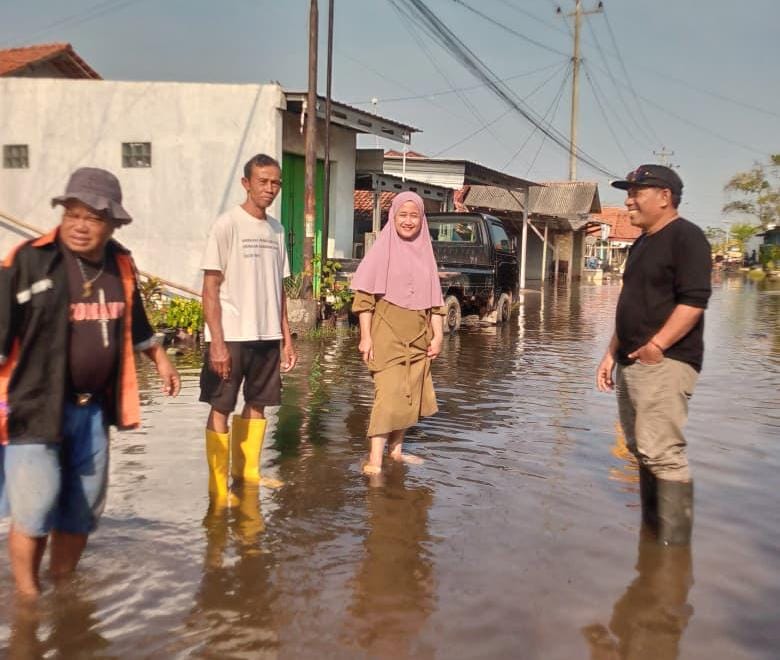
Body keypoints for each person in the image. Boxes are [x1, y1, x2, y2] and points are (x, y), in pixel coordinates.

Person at [0, 167, 180, 597]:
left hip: (93, 410)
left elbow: (136, 322)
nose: (81, 225)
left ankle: (63, 586)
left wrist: (161, 358)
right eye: (73, 213)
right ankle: (28, 600)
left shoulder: (120, 265)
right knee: (36, 507)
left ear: (113, 223)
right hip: (32, 407)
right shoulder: (29, 261)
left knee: (81, 510)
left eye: (94, 217)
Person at [596, 164, 711, 546]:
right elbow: (632, 304)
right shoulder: (642, 243)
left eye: (636, 192)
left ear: (664, 197)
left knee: (662, 452)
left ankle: (673, 553)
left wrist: (657, 345)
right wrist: (611, 353)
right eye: (628, 192)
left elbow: (694, 302)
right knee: (640, 448)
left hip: (665, 361)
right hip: (633, 359)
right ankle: (652, 538)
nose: (628, 200)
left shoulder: (687, 238)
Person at [199, 153, 296, 505]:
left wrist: (286, 338)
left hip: (267, 335)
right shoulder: (227, 225)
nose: (270, 189)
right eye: (263, 182)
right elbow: (210, 287)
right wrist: (217, 343)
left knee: (259, 404)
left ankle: (247, 473)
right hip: (232, 336)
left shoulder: (277, 229)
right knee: (221, 406)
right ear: (246, 183)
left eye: (276, 183)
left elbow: (279, 288)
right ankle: (218, 484)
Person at [351, 192, 445, 475]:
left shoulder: (426, 252)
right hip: (386, 338)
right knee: (388, 395)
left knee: (409, 396)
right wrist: (365, 336)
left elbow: (435, 304)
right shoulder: (382, 249)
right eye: (402, 215)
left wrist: (438, 337)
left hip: (419, 340)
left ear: (422, 219)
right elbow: (364, 299)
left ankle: (397, 451)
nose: (408, 221)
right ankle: (375, 458)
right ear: (393, 216)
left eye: (414, 215)